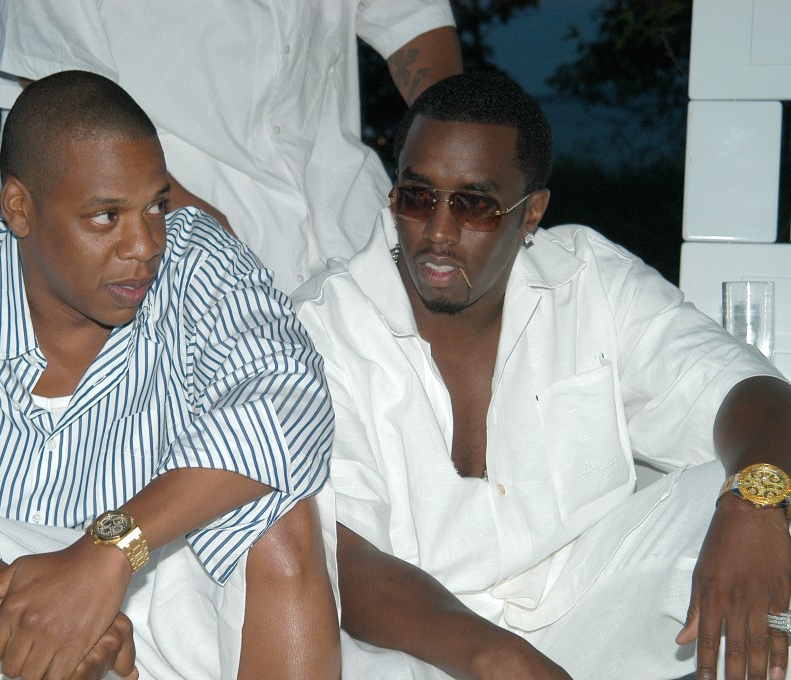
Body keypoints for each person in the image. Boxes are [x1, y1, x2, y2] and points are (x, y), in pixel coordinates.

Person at [0, 70, 338, 680]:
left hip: (154, 600)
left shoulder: (195, 259)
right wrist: (21, 601)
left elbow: (286, 395)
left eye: (156, 206)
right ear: (20, 207)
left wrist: (108, 552)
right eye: (105, 216)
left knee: (280, 508)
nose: (144, 245)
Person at [293, 71, 791, 680]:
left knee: (756, 486)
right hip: (416, 643)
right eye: (417, 197)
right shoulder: (321, 323)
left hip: (586, 612)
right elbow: (343, 557)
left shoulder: (590, 281)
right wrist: (502, 662)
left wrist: (757, 503)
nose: (439, 233)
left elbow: (751, 393)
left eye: (474, 204)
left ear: (531, 213)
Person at [0, 0, 463, 293]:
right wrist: (205, 243)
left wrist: (457, 158)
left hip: (363, 237)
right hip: (172, 266)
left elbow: (410, 16)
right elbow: (57, 103)